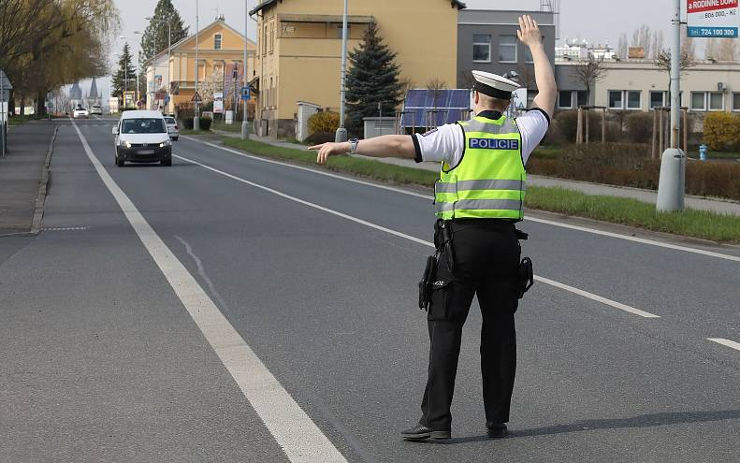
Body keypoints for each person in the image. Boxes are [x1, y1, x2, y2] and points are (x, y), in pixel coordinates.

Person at [309, 15, 556, 441]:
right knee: (499, 334)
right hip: (504, 246)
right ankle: (497, 419)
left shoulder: (456, 135)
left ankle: (437, 422)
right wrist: (534, 44)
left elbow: (399, 144)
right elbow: (548, 96)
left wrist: (347, 145)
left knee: (446, 329)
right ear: (504, 101)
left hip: (461, 245)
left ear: (475, 97)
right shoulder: (522, 132)